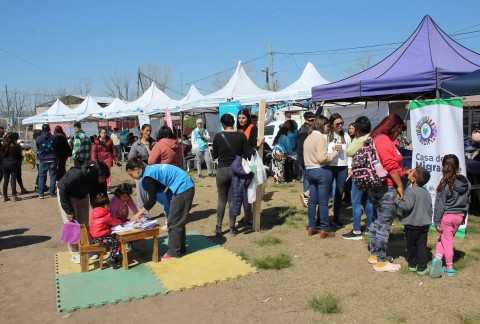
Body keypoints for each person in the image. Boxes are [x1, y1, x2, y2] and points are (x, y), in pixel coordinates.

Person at [127, 158, 195, 260]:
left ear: (136, 169)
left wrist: (137, 214)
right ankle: (180, 248)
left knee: (173, 221)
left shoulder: (148, 177)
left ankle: (173, 253)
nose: (132, 177)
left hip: (183, 188)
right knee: (177, 220)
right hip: (185, 185)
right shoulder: (149, 169)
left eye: (131, 174)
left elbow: (152, 200)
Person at [368, 113, 409, 272]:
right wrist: (400, 185)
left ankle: (374, 254)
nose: (398, 133)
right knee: (384, 225)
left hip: (378, 186)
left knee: (377, 221)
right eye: (398, 130)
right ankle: (381, 261)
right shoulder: (383, 140)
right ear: (392, 127)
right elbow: (390, 166)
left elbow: (392, 166)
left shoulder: (376, 139)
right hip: (387, 187)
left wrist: (404, 172)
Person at [57, 161, 110, 264]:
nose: (103, 179)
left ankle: (86, 248)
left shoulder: (100, 179)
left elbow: (101, 194)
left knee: (84, 223)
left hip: (83, 196)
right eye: (101, 177)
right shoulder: (76, 175)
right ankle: (75, 253)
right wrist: (68, 210)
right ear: (94, 174)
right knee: (72, 225)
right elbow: (63, 189)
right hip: (68, 196)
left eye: (105, 177)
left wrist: (103, 207)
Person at [430, 154, 471, 278]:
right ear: (458, 167)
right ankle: (437, 258)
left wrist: (436, 221)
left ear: (443, 167)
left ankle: (449, 267)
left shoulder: (444, 184)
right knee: (443, 238)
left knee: (447, 241)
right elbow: (468, 201)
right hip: (459, 217)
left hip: (447, 217)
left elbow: (439, 205)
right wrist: (463, 215)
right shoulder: (466, 182)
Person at [211, 113, 250, 236]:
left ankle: (218, 227)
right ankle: (232, 227)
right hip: (236, 170)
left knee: (221, 200)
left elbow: (214, 155)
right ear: (233, 122)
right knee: (233, 200)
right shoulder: (241, 135)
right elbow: (247, 153)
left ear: (223, 124)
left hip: (222, 169)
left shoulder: (218, 136)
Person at [303, 116, 341, 238]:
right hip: (321, 170)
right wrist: (334, 153)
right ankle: (324, 228)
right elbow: (322, 158)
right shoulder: (320, 138)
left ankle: (312, 226)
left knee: (312, 201)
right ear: (321, 125)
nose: (328, 129)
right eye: (327, 126)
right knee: (323, 202)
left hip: (310, 170)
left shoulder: (308, 138)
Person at [395, 167, 432, 275]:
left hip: (412, 224)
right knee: (422, 246)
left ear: (413, 179)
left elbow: (407, 206)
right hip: (424, 224)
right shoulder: (426, 192)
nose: (409, 172)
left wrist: (397, 199)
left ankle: (412, 264)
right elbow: (430, 208)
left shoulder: (411, 191)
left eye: (411, 172)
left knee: (411, 245)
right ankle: (422, 267)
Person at [342, 116, 374, 240]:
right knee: (367, 201)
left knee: (355, 202)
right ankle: (370, 228)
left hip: (359, 175)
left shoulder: (360, 139)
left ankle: (356, 231)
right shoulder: (372, 137)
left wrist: (357, 139)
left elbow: (349, 152)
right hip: (370, 174)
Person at [327, 113, 352, 228]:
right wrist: (332, 149)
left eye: (342, 123)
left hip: (342, 167)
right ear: (332, 125)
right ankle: (321, 219)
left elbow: (350, 153)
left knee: (339, 192)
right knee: (325, 192)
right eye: (337, 124)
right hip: (330, 166)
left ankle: (336, 217)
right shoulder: (327, 136)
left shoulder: (346, 135)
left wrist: (350, 167)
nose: (340, 125)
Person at [89, 193, 123, 269]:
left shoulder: (95, 212)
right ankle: (112, 258)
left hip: (94, 238)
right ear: (105, 206)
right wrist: (122, 222)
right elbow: (114, 222)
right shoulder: (106, 214)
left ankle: (117, 254)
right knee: (114, 242)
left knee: (113, 238)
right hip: (99, 238)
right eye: (109, 206)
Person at [128, 124, 155, 216]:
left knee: (155, 193)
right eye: (147, 130)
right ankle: (144, 215)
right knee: (141, 194)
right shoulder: (136, 145)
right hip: (140, 172)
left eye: (150, 131)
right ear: (141, 131)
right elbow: (131, 158)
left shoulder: (154, 143)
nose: (148, 132)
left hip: (153, 171)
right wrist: (139, 163)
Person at [91, 127, 121, 193]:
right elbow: (93, 152)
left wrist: (116, 159)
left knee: (107, 172)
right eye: (102, 133)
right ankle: (100, 186)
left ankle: (107, 187)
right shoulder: (96, 142)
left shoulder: (110, 141)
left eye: (105, 133)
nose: (104, 134)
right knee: (100, 173)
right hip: (99, 160)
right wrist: (94, 161)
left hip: (108, 158)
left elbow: (113, 150)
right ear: (99, 134)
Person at [297, 111, 316, 207]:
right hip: (305, 161)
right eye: (311, 120)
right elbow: (300, 149)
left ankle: (308, 197)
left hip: (310, 160)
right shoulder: (303, 132)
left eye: (314, 119)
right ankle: (306, 198)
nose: (313, 121)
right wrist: (304, 163)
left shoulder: (310, 128)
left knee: (310, 179)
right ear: (306, 121)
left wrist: (321, 105)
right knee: (307, 180)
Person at [36, 124, 57, 199]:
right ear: (49, 129)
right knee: (52, 177)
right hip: (52, 159)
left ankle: (41, 194)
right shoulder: (54, 138)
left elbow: (38, 148)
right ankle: (52, 193)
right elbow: (56, 147)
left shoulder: (38, 138)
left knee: (41, 177)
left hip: (43, 159)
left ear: (42, 129)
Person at [1, 132, 23, 202]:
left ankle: (5, 196)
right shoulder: (16, 146)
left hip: (4, 164)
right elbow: (19, 156)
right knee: (13, 179)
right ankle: (14, 196)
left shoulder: (3, 146)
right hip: (13, 164)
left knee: (6, 180)